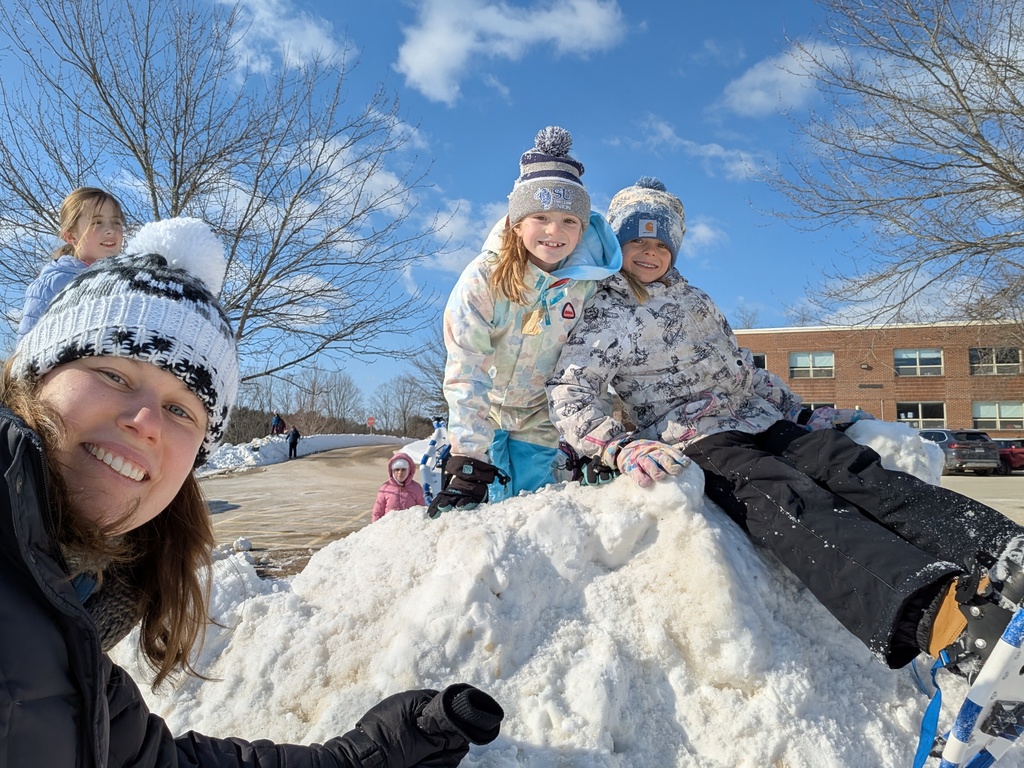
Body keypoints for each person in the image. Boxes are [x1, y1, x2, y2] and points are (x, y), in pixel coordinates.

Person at [1, 216, 503, 766]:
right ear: (33, 374)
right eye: (115, 375)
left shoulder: (72, 645)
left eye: (179, 409)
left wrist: (365, 758)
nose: (145, 421)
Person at [549, 176, 1024, 674]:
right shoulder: (601, 308)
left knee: (855, 468)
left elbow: (743, 371)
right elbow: (570, 389)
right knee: (790, 499)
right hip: (695, 436)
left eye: (660, 244)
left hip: (758, 416)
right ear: (615, 244)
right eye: (635, 242)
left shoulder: (696, 300)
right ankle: (944, 621)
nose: (649, 253)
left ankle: (1000, 550)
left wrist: (802, 413)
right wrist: (619, 447)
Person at [431, 126, 622, 518]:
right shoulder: (482, 280)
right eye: (541, 217)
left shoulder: (587, 287)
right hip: (490, 411)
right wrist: (468, 456)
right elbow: (467, 370)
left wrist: (589, 440)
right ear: (517, 223)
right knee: (489, 509)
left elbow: (596, 363)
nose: (555, 232)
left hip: (542, 416)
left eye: (570, 221)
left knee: (535, 512)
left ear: (583, 227)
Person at [17, 186, 125, 340]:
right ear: (71, 236)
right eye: (97, 222)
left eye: (116, 223)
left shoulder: (129, 280)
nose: (110, 230)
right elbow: (28, 342)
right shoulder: (54, 282)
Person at [373, 452, 427, 522]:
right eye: (397, 469)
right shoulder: (385, 488)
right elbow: (377, 513)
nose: (400, 473)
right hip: (389, 528)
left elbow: (422, 511)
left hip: (409, 528)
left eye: (403, 469)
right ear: (392, 470)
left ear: (408, 470)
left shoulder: (416, 488)